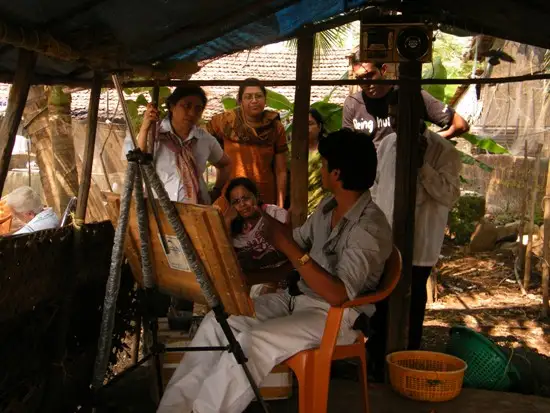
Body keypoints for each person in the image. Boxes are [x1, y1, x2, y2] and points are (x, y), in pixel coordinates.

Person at [157, 129, 393, 413]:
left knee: (252, 342)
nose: (321, 168)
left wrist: (287, 246)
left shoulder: (369, 229)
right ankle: (173, 408)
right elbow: (296, 242)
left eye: (324, 163)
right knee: (221, 323)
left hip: (335, 317)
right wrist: (236, 243)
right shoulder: (329, 208)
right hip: (296, 299)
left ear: (338, 174)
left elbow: (337, 294)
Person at [368, 113, 461, 377]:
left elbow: (449, 195)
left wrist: (422, 166)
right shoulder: (387, 144)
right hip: (385, 238)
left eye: (403, 114)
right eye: (393, 116)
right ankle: (376, 363)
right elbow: (376, 187)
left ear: (420, 117)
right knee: (380, 300)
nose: (396, 122)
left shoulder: (443, 152)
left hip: (421, 242)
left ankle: (408, 361)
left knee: (412, 301)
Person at [125, 86, 231, 205]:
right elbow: (137, 161)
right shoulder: (153, 134)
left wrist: (216, 191)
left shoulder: (204, 139)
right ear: (172, 106)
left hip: (196, 211)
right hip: (159, 210)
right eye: (186, 106)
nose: (192, 113)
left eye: (198, 109)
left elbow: (225, 164)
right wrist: (145, 127)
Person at [342, 52, 470, 149]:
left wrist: (428, 142)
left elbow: (460, 125)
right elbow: (347, 144)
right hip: (370, 179)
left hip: (403, 174)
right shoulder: (352, 103)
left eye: (370, 75)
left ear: (383, 69)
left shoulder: (409, 95)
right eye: (360, 78)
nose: (365, 83)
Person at [206, 78, 288, 209]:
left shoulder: (275, 127)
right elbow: (200, 140)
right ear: (240, 101)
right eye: (248, 97)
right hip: (231, 196)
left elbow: (281, 171)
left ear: (265, 100)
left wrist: (280, 205)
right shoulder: (225, 122)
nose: (254, 100)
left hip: (263, 196)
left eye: (259, 96)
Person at [223, 177, 292, 297]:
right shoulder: (235, 228)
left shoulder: (274, 214)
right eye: (236, 202)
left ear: (256, 196)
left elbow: (288, 248)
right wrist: (227, 221)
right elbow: (226, 257)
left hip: (282, 277)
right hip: (252, 281)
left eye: (246, 198)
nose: (242, 204)